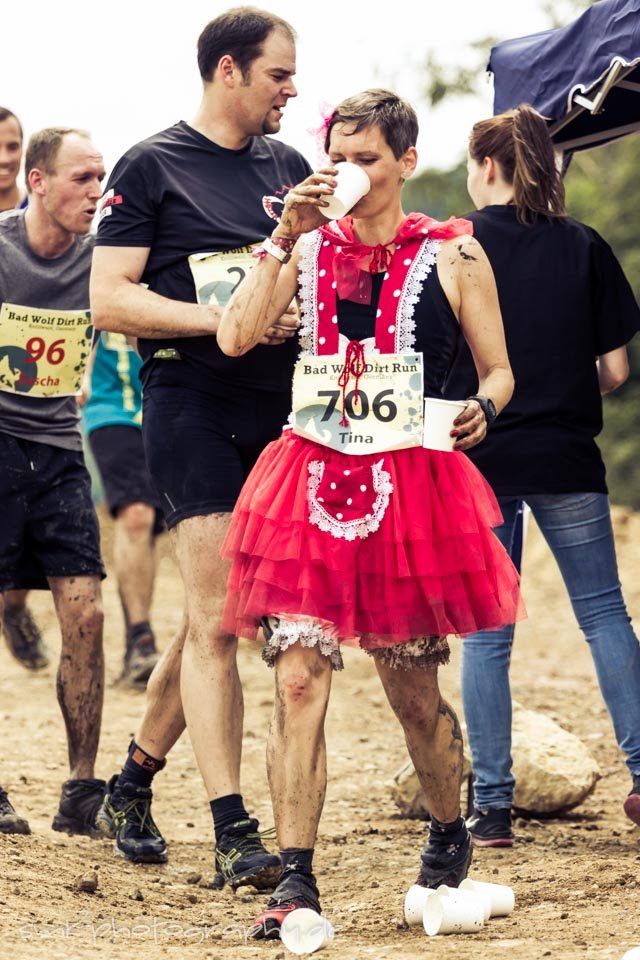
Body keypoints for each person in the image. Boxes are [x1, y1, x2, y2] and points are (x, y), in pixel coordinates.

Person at [216, 88, 523, 939]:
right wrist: (284, 236)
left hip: (414, 491)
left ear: (406, 163)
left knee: (414, 693)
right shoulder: (301, 249)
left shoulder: (454, 255)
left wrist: (483, 410)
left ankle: (449, 834)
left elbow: (501, 372)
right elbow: (235, 337)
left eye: (367, 159)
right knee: (298, 676)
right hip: (306, 485)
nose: (348, 174)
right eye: (338, 157)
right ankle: (295, 881)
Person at [90, 7, 311, 879]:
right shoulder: (151, 164)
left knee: (215, 611)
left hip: (282, 412)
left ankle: (133, 780)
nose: (292, 89)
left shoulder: (290, 168)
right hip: (190, 400)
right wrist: (221, 321)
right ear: (228, 70)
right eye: (278, 75)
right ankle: (233, 833)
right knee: (221, 620)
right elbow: (109, 299)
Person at [443, 104, 640, 848]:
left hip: (483, 457)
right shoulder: (584, 245)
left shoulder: (455, 247)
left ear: (486, 166)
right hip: (568, 455)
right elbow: (615, 370)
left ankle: (491, 807)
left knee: (488, 635)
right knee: (604, 616)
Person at [0, 126, 108, 835]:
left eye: (101, 178)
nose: (95, 193)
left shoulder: (105, 259)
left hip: (60, 453)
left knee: (87, 616)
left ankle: (81, 788)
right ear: (37, 182)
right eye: (80, 178)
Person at [82, 331, 163, 686]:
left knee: (159, 526)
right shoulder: (86, 273)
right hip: (108, 406)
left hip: (169, 402)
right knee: (136, 515)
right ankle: (139, 637)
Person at [0, 105, 50, 671]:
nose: (3, 157)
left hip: (35, 391)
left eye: (13, 145)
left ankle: (13, 606)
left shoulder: (40, 215)